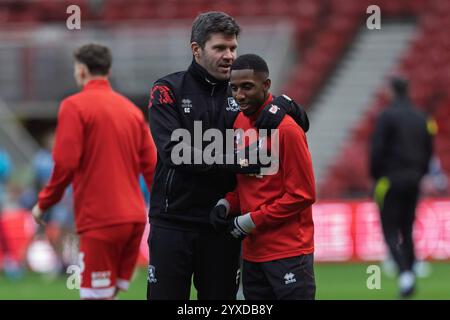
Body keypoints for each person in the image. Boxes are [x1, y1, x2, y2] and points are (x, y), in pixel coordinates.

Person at [147, 11, 309, 300]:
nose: (229, 56)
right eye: (220, 48)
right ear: (197, 50)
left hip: (221, 226)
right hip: (173, 223)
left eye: (233, 48)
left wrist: (285, 105)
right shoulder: (166, 89)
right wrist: (240, 160)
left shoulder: (242, 91)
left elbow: (298, 125)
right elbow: (175, 152)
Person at [31, 43, 157, 299]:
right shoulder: (132, 111)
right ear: (108, 71)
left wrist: (44, 204)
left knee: (94, 295)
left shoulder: (74, 106)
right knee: (109, 293)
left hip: (101, 220)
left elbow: (65, 163)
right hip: (134, 219)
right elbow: (153, 166)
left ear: (80, 70)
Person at [209, 54, 316, 300]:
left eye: (247, 86)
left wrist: (251, 221)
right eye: (234, 88)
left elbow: (303, 195)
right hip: (252, 254)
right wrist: (228, 203)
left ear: (266, 85)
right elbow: (248, 184)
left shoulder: (287, 129)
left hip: (288, 251)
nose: (239, 95)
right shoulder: (238, 123)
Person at [370, 77, 434, 298]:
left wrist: (376, 176)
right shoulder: (421, 116)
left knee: (389, 230)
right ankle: (412, 267)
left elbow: (377, 150)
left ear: (391, 91)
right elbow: (429, 149)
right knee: (407, 228)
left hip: (391, 179)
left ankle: (405, 273)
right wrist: (421, 174)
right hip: (415, 179)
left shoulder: (387, 116)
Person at [31, 129, 76, 275]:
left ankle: (67, 261)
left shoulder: (64, 156)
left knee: (66, 231)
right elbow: (37, 181)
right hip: (47, 201)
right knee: (50, 232)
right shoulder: (40, 159)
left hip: (64, 201)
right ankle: (59, 261)